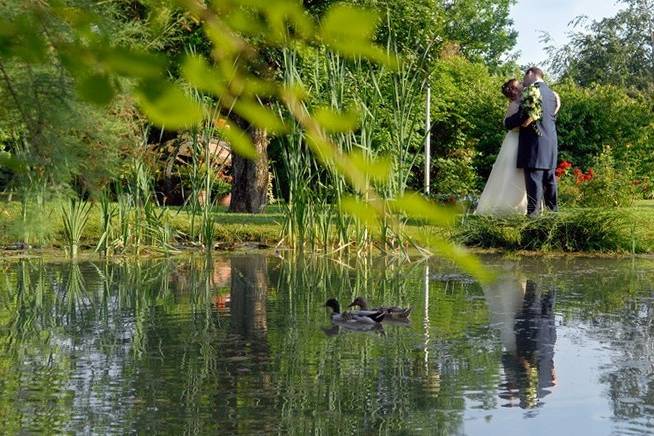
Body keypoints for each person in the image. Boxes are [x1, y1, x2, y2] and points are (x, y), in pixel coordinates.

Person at [505, 67, 560, 217]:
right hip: (550, 143)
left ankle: (533, 224)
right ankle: (554, 218)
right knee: (550, 183)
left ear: (530, 74)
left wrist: (508, 123)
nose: (523, 81)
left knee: (534, 185)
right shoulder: (552, 94)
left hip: (534, 144)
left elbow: (524, 117)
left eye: (524, 76)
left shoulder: (532, 91)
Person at [474, 79, 529, 215]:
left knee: (520, 175)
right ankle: (506, 207)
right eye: (518, 85)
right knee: (510, 173)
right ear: (514, 89)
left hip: (522, 140)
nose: (522, 85)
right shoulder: (514, 104)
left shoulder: (526, 101)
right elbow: (509, 123)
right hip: (515, 141)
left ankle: (522, 206)